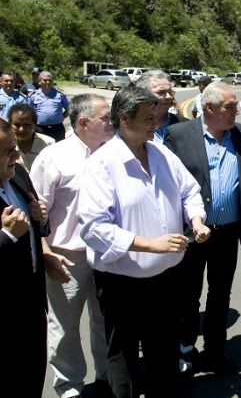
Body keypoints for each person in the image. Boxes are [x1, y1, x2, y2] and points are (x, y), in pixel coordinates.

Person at [77, 86, 211, 398]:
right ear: (124, 119)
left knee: (163, 350)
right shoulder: (103, 164)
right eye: (149, 118)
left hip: (165, 278)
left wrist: (196, 220)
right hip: (122, 282)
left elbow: (190, 191)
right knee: (123, 356)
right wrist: (150, 245)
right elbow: (94, 227)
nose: (156, 124)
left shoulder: (161, 152)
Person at [165, 81, 241, 375]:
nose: (235, 113)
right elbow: (168, 187)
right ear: (208, 109)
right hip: (193, 232)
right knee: (188, 295)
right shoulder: (179, 135)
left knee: (221, 293)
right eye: (229, 107)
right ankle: (186, 349)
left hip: (229, 232)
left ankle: (215, 350)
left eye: (235, 106)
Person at [30, 94, 115, 398]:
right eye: (105, 118)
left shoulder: (114, 153)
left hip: (107, 255)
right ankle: (69, 386)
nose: (112, 122)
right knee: (65, 327)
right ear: (83, 123)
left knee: (105, 321)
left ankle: (108, 376)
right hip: (67, 257)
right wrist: (46, 252)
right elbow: (35, 211)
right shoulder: (54, 158)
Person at [0, 117, 49, 397]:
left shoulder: (18, 173)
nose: (16, 155)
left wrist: (40, 221)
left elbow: (38, 227)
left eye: (15, 148)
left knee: (31, 378)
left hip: (31, 304)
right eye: (7, 151)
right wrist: (6, 236)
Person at [134, 70, 180, 143]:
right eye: (161, 92)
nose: (169, 97)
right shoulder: (131, 127)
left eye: (170, 92)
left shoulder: (183, 124)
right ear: (142, 94)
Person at [8, 103, 55, 171]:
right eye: (17, 125)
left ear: (35, 124)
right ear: (10, 124)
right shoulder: (5, 146)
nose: (21, 129)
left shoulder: (49, 144)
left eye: (27, 125)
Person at [30, 70, 70, 141]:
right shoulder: (33, 96)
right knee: (39, 149)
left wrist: (60, 117)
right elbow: (29, 112)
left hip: (57, 128)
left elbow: (68, 109)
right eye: (45, 80)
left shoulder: (60, 95)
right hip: (40, 129)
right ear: (39, 82)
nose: (47, 82)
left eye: (50, 80)